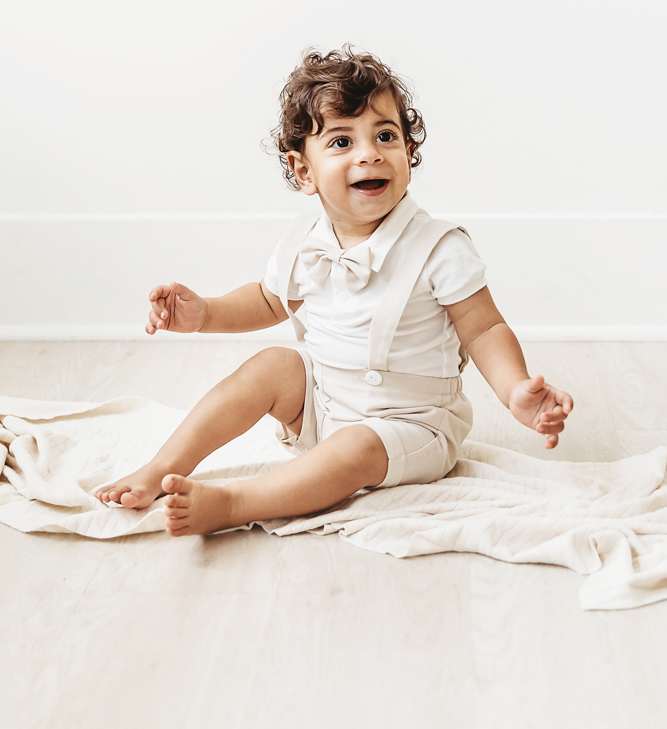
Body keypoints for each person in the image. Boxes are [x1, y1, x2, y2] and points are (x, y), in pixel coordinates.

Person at [94, 46, 574, 536]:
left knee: (359, 448)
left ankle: (238, 501)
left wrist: (515, 387)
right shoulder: (307, 240)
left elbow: (485, 328)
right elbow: (267, 300)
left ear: (408, 153)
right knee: (271, 365)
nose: (370, 152)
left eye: (385, 136)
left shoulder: (440, 247)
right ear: (304, 172)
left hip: (411, 427)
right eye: (342, 141)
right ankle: (162, 467)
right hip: (323, 408)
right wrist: (205, 315)